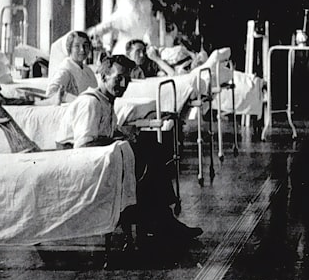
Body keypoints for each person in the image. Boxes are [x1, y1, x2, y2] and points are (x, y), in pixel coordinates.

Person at [55, 54, 202, 241]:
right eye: (118, 78)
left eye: (127, 80)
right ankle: (161, 221)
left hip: (99, 155)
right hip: (77, 162)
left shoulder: (106, 101)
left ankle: (161, 220)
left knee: (153, 149)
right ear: (104, 77)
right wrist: (123, 144)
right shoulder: (91, 102)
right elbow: (84, 145)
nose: (123, 84)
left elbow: (108, 131)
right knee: (149, 155)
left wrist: (125, 135)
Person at [45, 31, 98, 102]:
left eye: (85, 45)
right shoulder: (65, 70)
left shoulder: (88, 70)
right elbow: (50, 94)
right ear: (69, 48)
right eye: (77, 46)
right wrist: (75, 100)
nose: (82, 50)